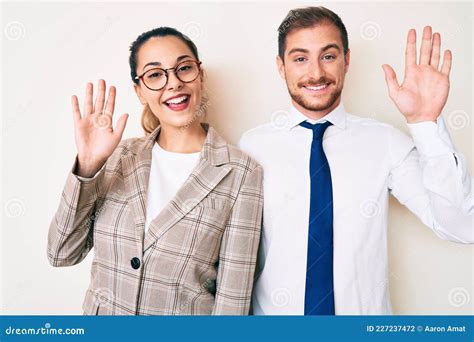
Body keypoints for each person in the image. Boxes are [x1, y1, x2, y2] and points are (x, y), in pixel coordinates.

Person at [238, 6, 473, 315]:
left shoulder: (385, 142)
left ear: (347, 60)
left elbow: (462, 227)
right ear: (281, 67)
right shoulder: (252, 146)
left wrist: (425, 123)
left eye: (328, 56)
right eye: (300, 58)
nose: (316, 73)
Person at [47, 27, 263, 315]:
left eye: (184, 68)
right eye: (155, 75)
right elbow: (61, 253)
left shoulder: (242, 173)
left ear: (200, 76)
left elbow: (232, 303)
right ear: (139, 91)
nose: (173, 83)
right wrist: (88, 166)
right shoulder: (119, 156)